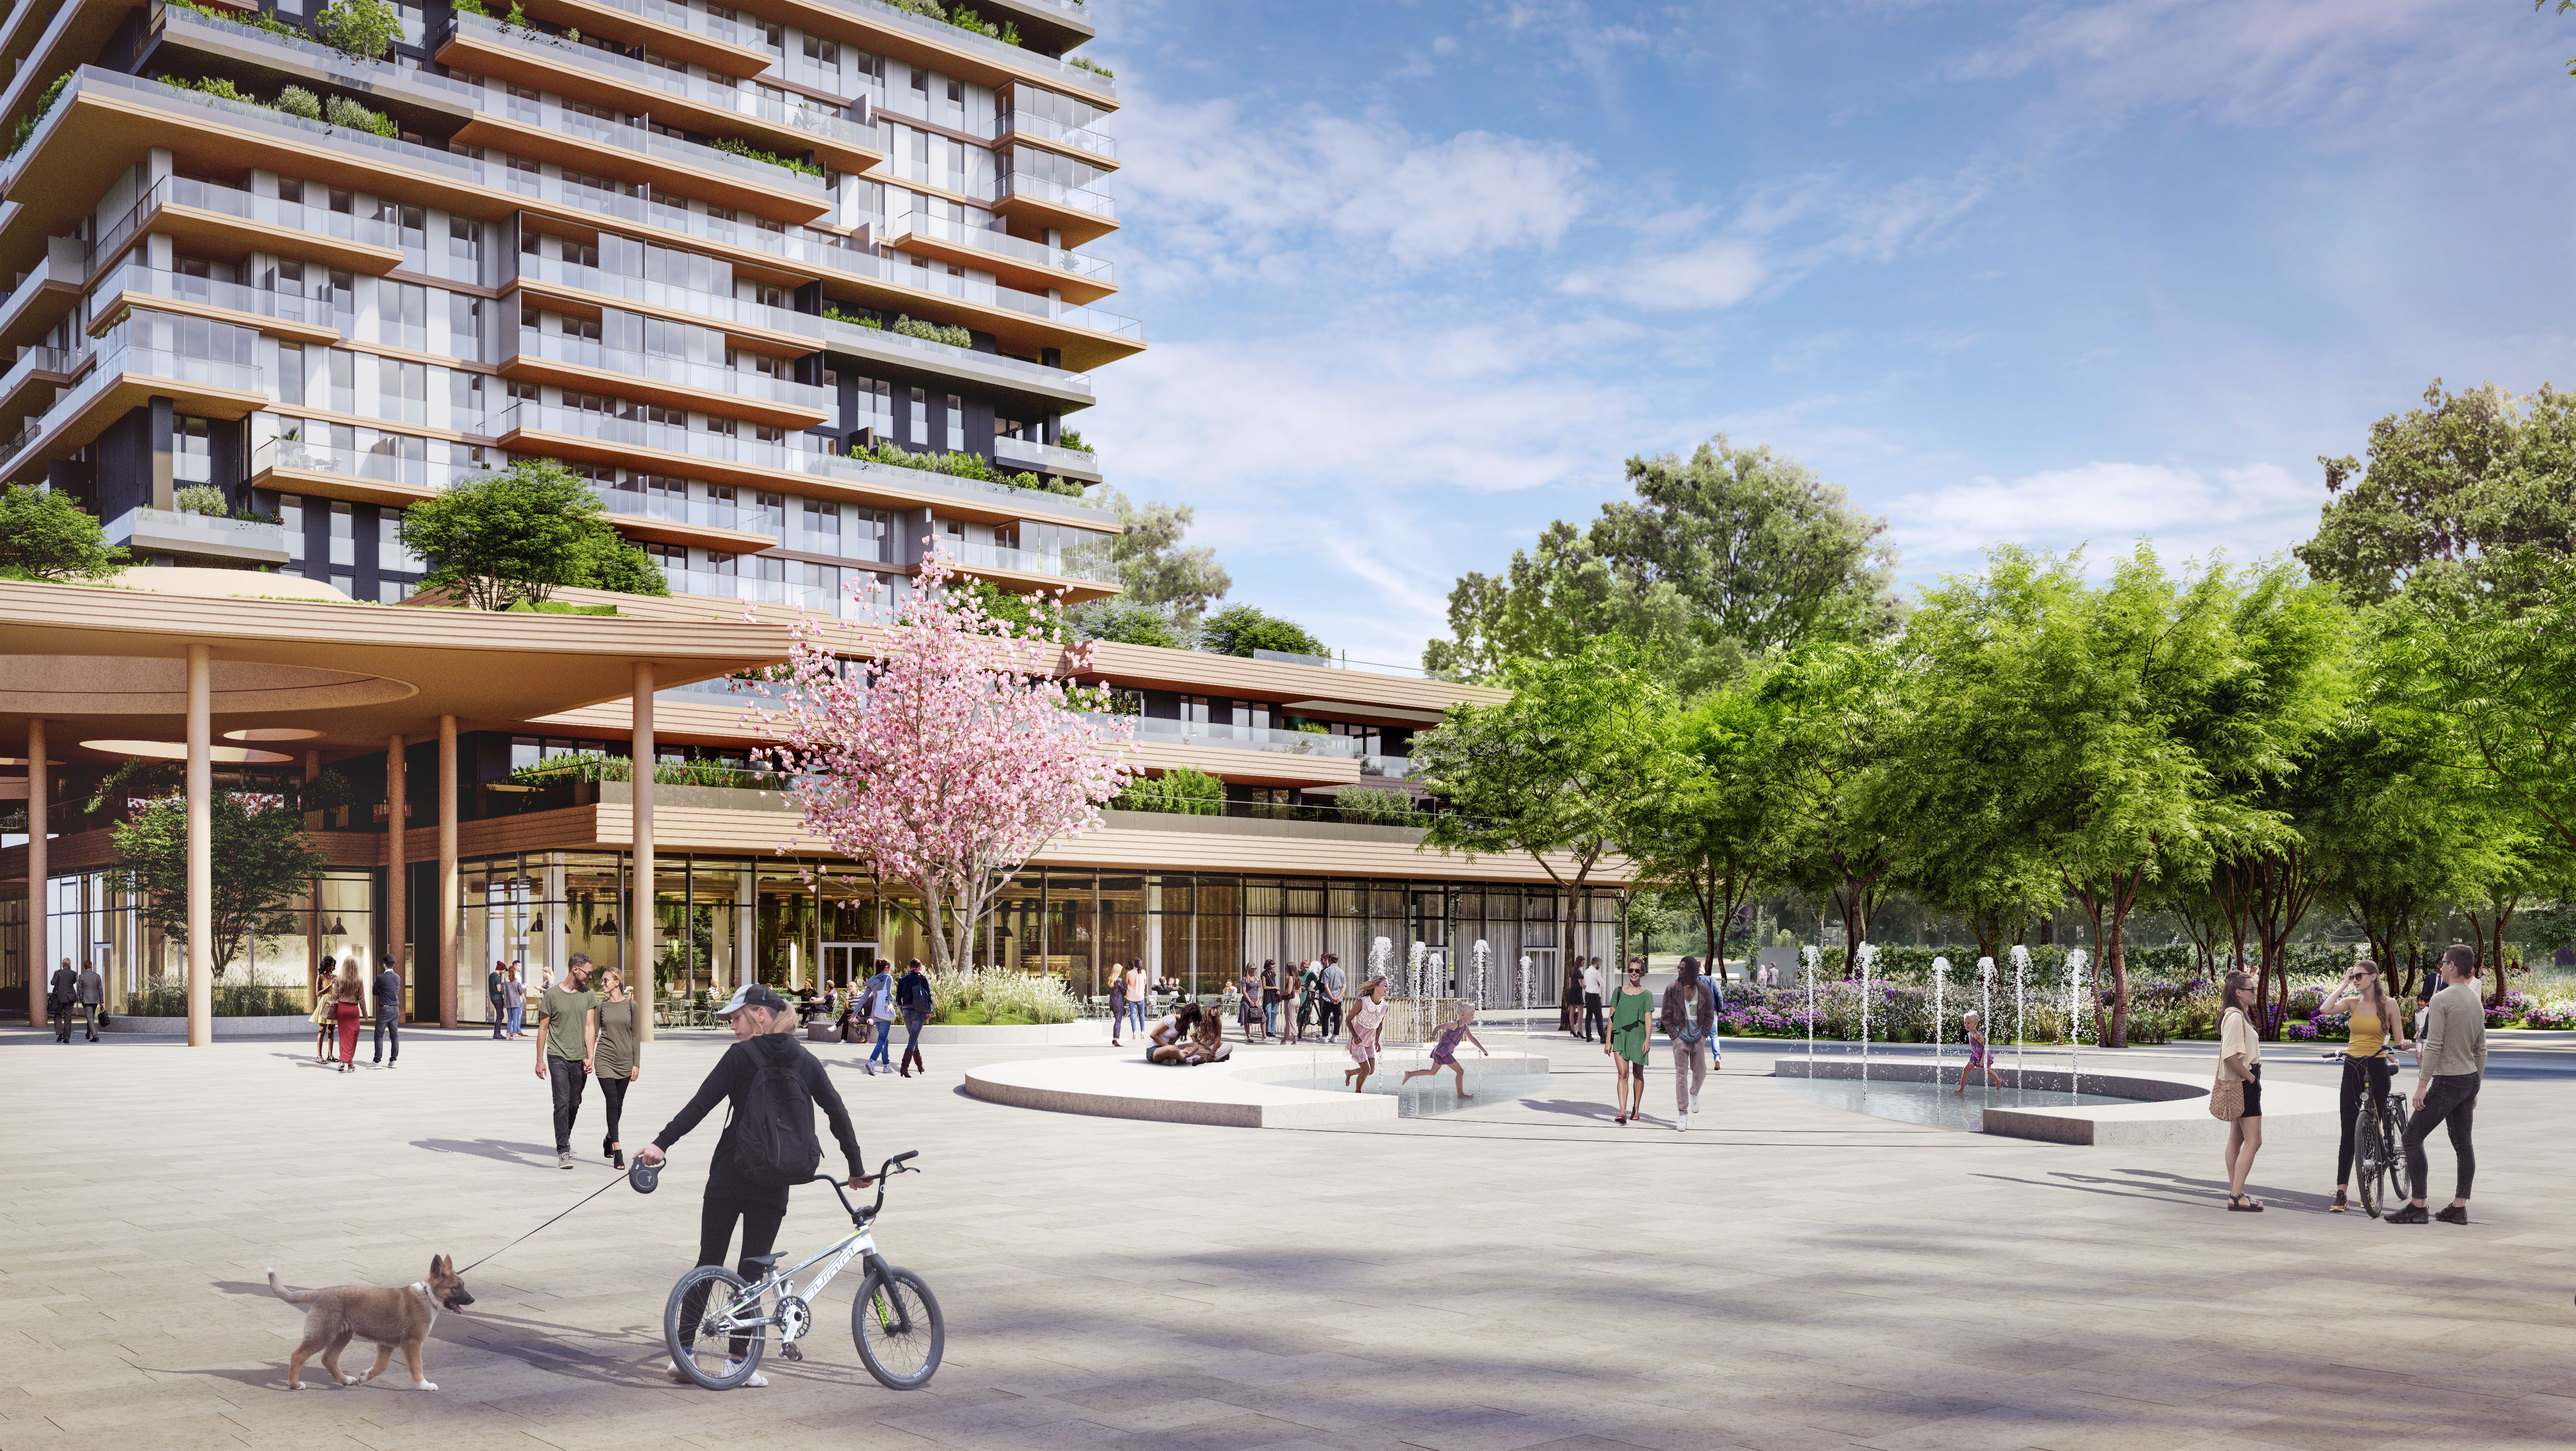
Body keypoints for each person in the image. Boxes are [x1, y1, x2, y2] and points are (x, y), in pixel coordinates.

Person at [637, 984, 867, 1390]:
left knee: (709, 1261)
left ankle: (684, 1355)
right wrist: (855, 1167)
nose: (733, 1027)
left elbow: (701, 1103)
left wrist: (661, 1144)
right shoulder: (805, 1060)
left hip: (730, 1173)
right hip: (774, 1180)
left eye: (737, 1018)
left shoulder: (741, 1056)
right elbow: (837, 1112)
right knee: (752, 1272)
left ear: (761, 1014)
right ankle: (735, 1363)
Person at [2393, 944, 2486, 1226]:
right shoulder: (2475, 1001)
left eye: (2443, 963)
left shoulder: (2440, 999)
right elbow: (2481, 1049)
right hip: (2468, 1079)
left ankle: (2418, 1206)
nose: (2440, 967)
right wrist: (2476, 1087)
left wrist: (2422, 1085)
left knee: (2411, 1138)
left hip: (2448, 1081)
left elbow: (2433, 1046)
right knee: (2463, 1144)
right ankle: (2459, 1207)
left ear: (2453, 967)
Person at [2323, 959, 2411, 1212]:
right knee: (2348, 1130)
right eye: (2353, 977)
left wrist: (2402, 1045)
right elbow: (2326, 1009)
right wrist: (2342, 984)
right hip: (2352, 1066)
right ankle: (2341, 1192)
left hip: (2377, 1066)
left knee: (2376, 1122)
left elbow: (2398, 1038)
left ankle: (2370, 1183)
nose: (2356, 980)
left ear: (2374, 977)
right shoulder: (2352, 1003)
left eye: (2359, 975)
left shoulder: (2389, 1004)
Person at [531, 953, 599, 1170]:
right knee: (561, 1102)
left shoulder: (589, 995)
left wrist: (591, 1057)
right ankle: (563, 1149)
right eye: (588, 972)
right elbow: (543, 1029)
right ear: (575, 970)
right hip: (557, 1055)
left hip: (579, 1057)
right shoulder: (552, 995)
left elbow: (590, 1027)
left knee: (574, 1103)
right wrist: (539, 1060)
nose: (590, 976)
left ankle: (565, 1136)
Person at [2218, 970, 2264, 1211]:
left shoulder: (2235, 1015)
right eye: (2251, 990)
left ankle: (2237, 1191)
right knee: (2254, 1140)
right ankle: (2236, 1196)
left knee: (2236, 1138)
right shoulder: (2235, 1017)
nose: (2254, 993)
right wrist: (2251, 1078)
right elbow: (2229, 1056)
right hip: (2245, 1082)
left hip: (2241, 1081)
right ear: (2239, 993)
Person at [1659, 956, 1720, 1131]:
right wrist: (1675, 1037)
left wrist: (1703, 1036)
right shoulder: (1672, 989)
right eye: (1679, 967)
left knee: (1701, 1071)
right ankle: (1683, 1114)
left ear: (1692, 970)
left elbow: (1709, 1014)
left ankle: (1694, 1093)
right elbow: (1666, 1015)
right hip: (1681, 1038)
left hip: (1698, 1038)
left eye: (1683, 968)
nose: (1679, 970)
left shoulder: (1704, 989)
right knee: (1681, 1075)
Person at [592, 967, 643, 1170]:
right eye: (602, 981)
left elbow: (636, 1036)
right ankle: (617, 1149)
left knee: (618, 1105)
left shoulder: (632, 1006)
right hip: (604, 1060)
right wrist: (588, 1057)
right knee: (612, 1102)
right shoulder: (600, 1007)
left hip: (625, 1062)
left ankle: (608, 1137)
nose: (603, 984)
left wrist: (636, 1063)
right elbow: (593, 1033)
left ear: (617, 982)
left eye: (606, 981)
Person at [1403, 1001, 1487, 1098]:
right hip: (1442, 1052)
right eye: (1472, 1015)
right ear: (1463, 1015)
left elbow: (1473, 1039)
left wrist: (1483, 1050)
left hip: (1442, 1052)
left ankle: (1410, 1074)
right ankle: (1460, 1094)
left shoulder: (1465, 1028)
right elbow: (1439, 1026)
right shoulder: (1454, 1025)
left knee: (1432, 1072)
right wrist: (1433, 1035)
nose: (1473, 1017)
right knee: (1460, 1072)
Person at [1607, 959, 1653, 1126]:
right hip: (1621, 1036)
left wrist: (1648, 1040)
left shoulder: (1647, 995)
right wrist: (1607, 1041)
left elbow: (1649, 1021)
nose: (1634, 973)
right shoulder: (1618, 992)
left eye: (1637, 971)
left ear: (1643, 973)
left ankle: (1636, 1108)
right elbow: (1611, 1018)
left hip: (1639, 1037)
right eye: (1631, 970)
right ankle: (1622, 1112)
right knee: (1623, 1074)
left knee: (1637, 1075)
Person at [1344, 974, 1390, 1092]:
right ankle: (1358, 1093)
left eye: (1388, 986)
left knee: (1371, 1070)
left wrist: (1377, 1041)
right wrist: (1354, 1035)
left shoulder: (1385, 1006)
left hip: (1369, 1042)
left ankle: (1350, 1072)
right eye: (1385, 985)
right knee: (1366, 1070)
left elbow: (1380, 1024)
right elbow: (1348, 1020)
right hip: (1358, 1041)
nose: (1388, 988)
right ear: (1376, 987)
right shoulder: (1362, 1002)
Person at [859, 960, 896, 1075]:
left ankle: (887, 1065)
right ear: (886, 968)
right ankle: (872, 1062)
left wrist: (856, 1011)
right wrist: (896, 1002)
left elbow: (864, 997)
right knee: (882, 1040)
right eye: (889, 968)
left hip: (875, 1012)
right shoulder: (888, 978)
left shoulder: (871, 980)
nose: (890, 970)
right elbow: (889, 994)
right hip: (885, 1011)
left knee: (885, 1038)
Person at [896, 958, 931, 1077]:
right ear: (919, 968)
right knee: (912, 1040)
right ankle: (904, 1068)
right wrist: (928, 1011)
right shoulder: (923, 978)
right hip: (919, 1013)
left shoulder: (902, 980)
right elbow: (929, 996)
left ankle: (920, 1066)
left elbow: (898, 1000)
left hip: (906, 1012)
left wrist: (902, 1010)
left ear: (909, 968)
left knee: (913, 1039)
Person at [1954, 1010, 2003, 1094]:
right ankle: (1961, 1089)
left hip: (1983, 1056)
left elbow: (1986, 1046)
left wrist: (1983, 1059)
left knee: (1989, 1072)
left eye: (1969, 1023)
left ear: (1975, 1024)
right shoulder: (1970, 1034)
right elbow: (1975, 1044)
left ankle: (1998, 1081)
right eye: (1965, 1023)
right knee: (1965, 1070)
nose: (1966, 1025)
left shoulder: (1977, 1035)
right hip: (1975, 1056)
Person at [331, 958, 366, 1072]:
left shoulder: (339, 978)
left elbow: (335, 996)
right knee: (353, 1036)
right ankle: (349, 1063)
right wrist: (365, 1014)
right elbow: (362, 999)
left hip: (342, 1009)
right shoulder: (359, 979)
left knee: (344, 1037)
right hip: (353, 1010)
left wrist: (333, 988)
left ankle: (344, 1062)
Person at [371, 955, 403, 1068]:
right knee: (394, 1037)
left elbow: (374, 992)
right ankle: (393, 1061)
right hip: (395, 1010)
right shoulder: (398, 977)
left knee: (379, 1036)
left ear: (384, 964)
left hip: (385, 1009)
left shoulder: (380, 978)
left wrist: (382, 992)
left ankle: (377, 1062)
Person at [312, 958, 339, 1062]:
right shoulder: (321, 977)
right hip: (325, 1004)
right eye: (329, 965)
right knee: (322, 1030)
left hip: (334, 1003)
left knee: (332, 1030)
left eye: (333, 965)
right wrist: (329, 985)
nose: (331, 967)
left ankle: (330, 1055)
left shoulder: (336, 977)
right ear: (325, 965)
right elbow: (318, 994)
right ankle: (319, 1056)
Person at [48, 958, 76, 1044]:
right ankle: (67, 1038)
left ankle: (60, 1034)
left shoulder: (58, 973)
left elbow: (53, 983)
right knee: (68, 1018)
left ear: (63, 965)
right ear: (70, 965)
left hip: (60, 998)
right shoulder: (74, 973)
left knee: (57, 1015)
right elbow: (74, 982)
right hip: (70, 998)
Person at [74, 958, 103, 1042]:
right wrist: (101, 1002)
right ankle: (88, 1034)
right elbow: (100, 990)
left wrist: (82, 999)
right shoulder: (97, 976)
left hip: (86, 1000)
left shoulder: (82, 976)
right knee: (91, 1017)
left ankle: (95, 1036)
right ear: (91, 966)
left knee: (90, 1018)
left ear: (84, 967)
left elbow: (80, 990)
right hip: (95, 1000)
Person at [1319, 954, 1346, 1042]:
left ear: (1329, 959)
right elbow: (1344, 987)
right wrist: (1338, 997)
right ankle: (1335, 1036)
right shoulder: (1342, 972)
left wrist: (1332, 998)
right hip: (1339, 998)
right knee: (1337, 1017)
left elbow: (1326, 986)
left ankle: (1325, 1037)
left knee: (1326, 1017)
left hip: (1328, 998)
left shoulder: (1327, 971)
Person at [1582, 957, 1607, 1043]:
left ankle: (1589, 1036)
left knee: (1589, 1016)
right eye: (1600, 964)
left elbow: (1585, 983)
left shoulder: (1586, 971)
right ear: (1597, 964)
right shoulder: (1596, 972)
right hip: (1595, 996)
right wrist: (1598, 984)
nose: (1600, 966)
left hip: (1588, 995)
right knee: (1599, 1017)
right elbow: (1603, 984)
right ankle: (1602, 1038)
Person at [1123, 960, 1148, 1043]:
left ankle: (1134, 1032)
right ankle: (1143, 1032)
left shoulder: (1129, 973)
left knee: (1133, 1013)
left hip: (1131, 996)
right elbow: (1145, 983)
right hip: (1140, 996)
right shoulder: (1143, 972)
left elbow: (1127, 983)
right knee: (1142, 1013)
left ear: (1134, 964)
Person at [1239, 963, 1264, 1044]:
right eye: (1252, 969)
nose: (1254, 970)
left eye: (1255, 969)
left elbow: (1259, 990)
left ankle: (1264, 1036)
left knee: (1263, 1017)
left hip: (1256, 1002)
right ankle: (1249, 1036)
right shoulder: (1245, 979)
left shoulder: (1257, 979)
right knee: (1247, 1019)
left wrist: (1257, 1001)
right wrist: (1250, 1001)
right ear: (1248, 969)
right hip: (1246, 1001)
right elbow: (1244, 991)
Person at [502, 963, 528, 1040]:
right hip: (516, 1001)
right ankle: (514, 1036)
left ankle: (508, 1035)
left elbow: (502, 991)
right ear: (514, 971)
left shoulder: (504, 981)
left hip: (508, 1002)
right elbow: (520, 992)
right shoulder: (516, 981)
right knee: (516, 1018)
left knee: (510, 1018)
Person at [1107, 968, 1129, 1049]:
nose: (1121, 971)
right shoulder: (1119, 980)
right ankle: (1117, 1039)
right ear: (1118, 971)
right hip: (1118, 1003)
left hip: (1112, 1003)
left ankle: (1114, 1039)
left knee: (1117, 1021)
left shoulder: (1110, 980)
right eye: (1120, 970)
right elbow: (1124, 991)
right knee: (1118, 1021)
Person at [487, 959, 507, 1040]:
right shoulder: (497, 977)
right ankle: (497, 1034)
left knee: (500, 1015)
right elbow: (499, 989)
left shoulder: (492, 975)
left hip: (493, 998)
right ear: (502, 969)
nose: (504, 972)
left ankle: (497, 1033)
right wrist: (503, 982)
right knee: (500, 1016)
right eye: (504, 970)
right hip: (498, 998)